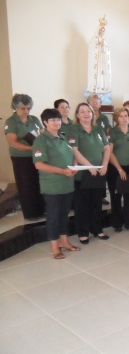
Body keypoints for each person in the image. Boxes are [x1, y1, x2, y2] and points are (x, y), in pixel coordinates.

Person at [32, 108, 79, 259]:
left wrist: (74, 165)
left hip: (67, 184)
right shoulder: (41, 140)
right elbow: (39, 165)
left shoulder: (63, 137)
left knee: (64, 214)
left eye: (58, 119)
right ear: (45, 122)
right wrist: (63, 171)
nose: (56, 122)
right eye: (52, 120)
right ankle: (54, 245)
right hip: (52, 185)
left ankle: (64, 241)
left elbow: (71, 155)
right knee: (53, 215)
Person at [70, 102, 111, 244]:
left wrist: (105, 164)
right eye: (82, 111)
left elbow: (106, 147)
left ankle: (98, 229)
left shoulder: (98, 129)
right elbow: (74, 150)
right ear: (77, 115)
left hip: (99, 171)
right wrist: (89, 166)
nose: (86, 113)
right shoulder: (74, 129)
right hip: (83, 174)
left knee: (96, 203)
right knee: (82, 205)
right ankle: (83, 232)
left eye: (88, 111)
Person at [4, 93, 45, 221]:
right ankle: (30, 213)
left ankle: (41, 209)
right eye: (23, 108)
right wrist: (32, 148)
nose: (26, 111)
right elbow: (13, 142)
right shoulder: (11, 122)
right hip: (21, 158)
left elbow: (42, 134)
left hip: (36, 157)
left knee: (38, 183)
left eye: (28, 108)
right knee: (26, 185)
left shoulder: (34, 119)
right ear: (15, 107)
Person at [107, 107, 129, 233]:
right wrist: (120, 170)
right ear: (116, 118)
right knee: (116, 197)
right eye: (120, 116)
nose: (124, 118)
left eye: (126, 115)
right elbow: (110, 152)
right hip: (116, 168)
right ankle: (117, 224)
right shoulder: (113, 132)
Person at [87, 94, 111, 205]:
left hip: (103, 147)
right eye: (92, 102)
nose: (95, 104)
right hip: (91, 147)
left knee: (102, 171)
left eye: (97, 102)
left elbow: (107, 131)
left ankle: (102, 196)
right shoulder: (87, 116)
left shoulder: (104, 117)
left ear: (100, 104)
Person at [87, 16, 111, 94]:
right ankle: (95, 88)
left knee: (102, 74)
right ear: (98, 30)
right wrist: (98, 44)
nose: (102, 32)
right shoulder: (94, 39)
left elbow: (107, 51)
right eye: (101, 30)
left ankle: (102, 87)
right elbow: (92, 49)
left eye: (103, 31)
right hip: (97, 60)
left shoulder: (105, 40)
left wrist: (103, 45)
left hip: (102, 59)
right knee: (96, 74)